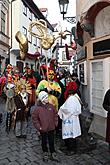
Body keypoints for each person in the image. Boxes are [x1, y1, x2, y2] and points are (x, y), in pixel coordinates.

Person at [32, 91, 59, 162]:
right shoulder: (37, 109)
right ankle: (45, 152)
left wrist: (55, 123)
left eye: (47, 97)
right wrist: (39, 127)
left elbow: (56, 114)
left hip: (51, 128)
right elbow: (35, 119)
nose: (48, 98)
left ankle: (53, 152)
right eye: (46, 98)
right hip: (43, 129)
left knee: (51, 140)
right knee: (44, 141)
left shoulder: (51, 106)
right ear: (42, 99)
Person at [58, 89, 82, 156]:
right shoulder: (76, 98)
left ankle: (71, 149)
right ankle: (70, 148)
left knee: (71, 135)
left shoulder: (71, 99)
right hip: (73, 120)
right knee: (72, 135)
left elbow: (69, 110)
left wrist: (61, 109)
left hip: (70, 120)